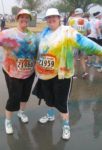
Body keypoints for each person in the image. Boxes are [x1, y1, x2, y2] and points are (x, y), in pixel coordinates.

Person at [33, 8, 102, 140]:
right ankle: (50, 115)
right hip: (45, 74)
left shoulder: (67, 31)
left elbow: (86, 43)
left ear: (59, 18)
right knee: (49, 98)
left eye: (54, 17)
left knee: (62, 102)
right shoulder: (44, 33)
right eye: (49, 17)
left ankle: (65, 125)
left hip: (62, 75)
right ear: (46, 20)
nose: (51, 19)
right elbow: (34, 47)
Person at [0, 9, 37, 134]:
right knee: (14, 97)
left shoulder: (32, 35)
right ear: (17, 18)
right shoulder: (7, 33)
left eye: (27, 17)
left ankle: (21, 113)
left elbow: (36, 52)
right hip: (12, 72)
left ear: (29, 20)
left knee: (25, 95)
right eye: (22, 17)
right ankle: (8, 121)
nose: (24, 19)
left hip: (29, 72)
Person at [68, 8, 91, 79]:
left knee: (74, 58)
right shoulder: (86, 21)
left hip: (74, 41)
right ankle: (84, 73)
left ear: (75, 13)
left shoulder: (71, 20)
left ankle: (74, 75)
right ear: (82, 13)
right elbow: (89, 32)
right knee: (82, 58)